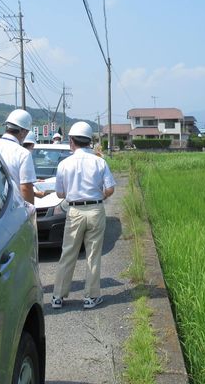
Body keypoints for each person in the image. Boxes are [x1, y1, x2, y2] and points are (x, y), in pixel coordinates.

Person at [51, 121, 116, 309]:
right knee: (93, 254)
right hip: (95, 209)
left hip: (74, 211)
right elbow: (110, 188)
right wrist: (99, 196)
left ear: (71, 140)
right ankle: (91, 297)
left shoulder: (64, 164)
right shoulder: (99, 161)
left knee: (68, 253)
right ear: (90, 141)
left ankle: (58, 296)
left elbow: (60, 194)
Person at [0, 110, 45, 215]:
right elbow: (25, 188)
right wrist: (30, 212)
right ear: (22, 132)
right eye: (26, 132)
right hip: (12, 209)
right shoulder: (23, 153)